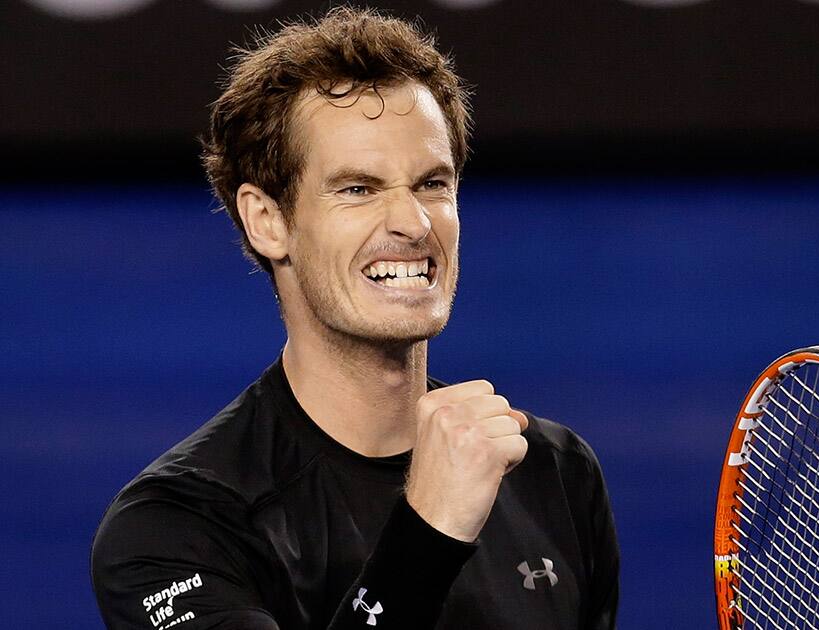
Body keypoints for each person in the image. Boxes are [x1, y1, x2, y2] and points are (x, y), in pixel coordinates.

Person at [90, 7, 619, 629]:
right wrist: (429, 530)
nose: (414, 224)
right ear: (268, 221)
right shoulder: (174, 528)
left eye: (432, 184)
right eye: (358, 189)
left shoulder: (554, 473)